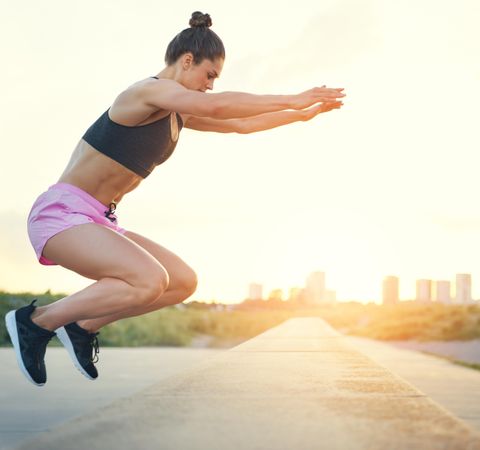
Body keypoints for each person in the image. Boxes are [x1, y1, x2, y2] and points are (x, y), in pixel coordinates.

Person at [5, 11, 345, 386]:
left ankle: (83, 327)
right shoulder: (145, 92)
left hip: (96, 219)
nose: (211, 86)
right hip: (60, 215)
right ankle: (36, 322)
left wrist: (301, 115)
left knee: (182, 282)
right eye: (209, 75)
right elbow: (218, 107)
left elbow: (240, 123)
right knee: (149, 280)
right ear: (187, 61)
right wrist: (294, 98)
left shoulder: (176, 111)